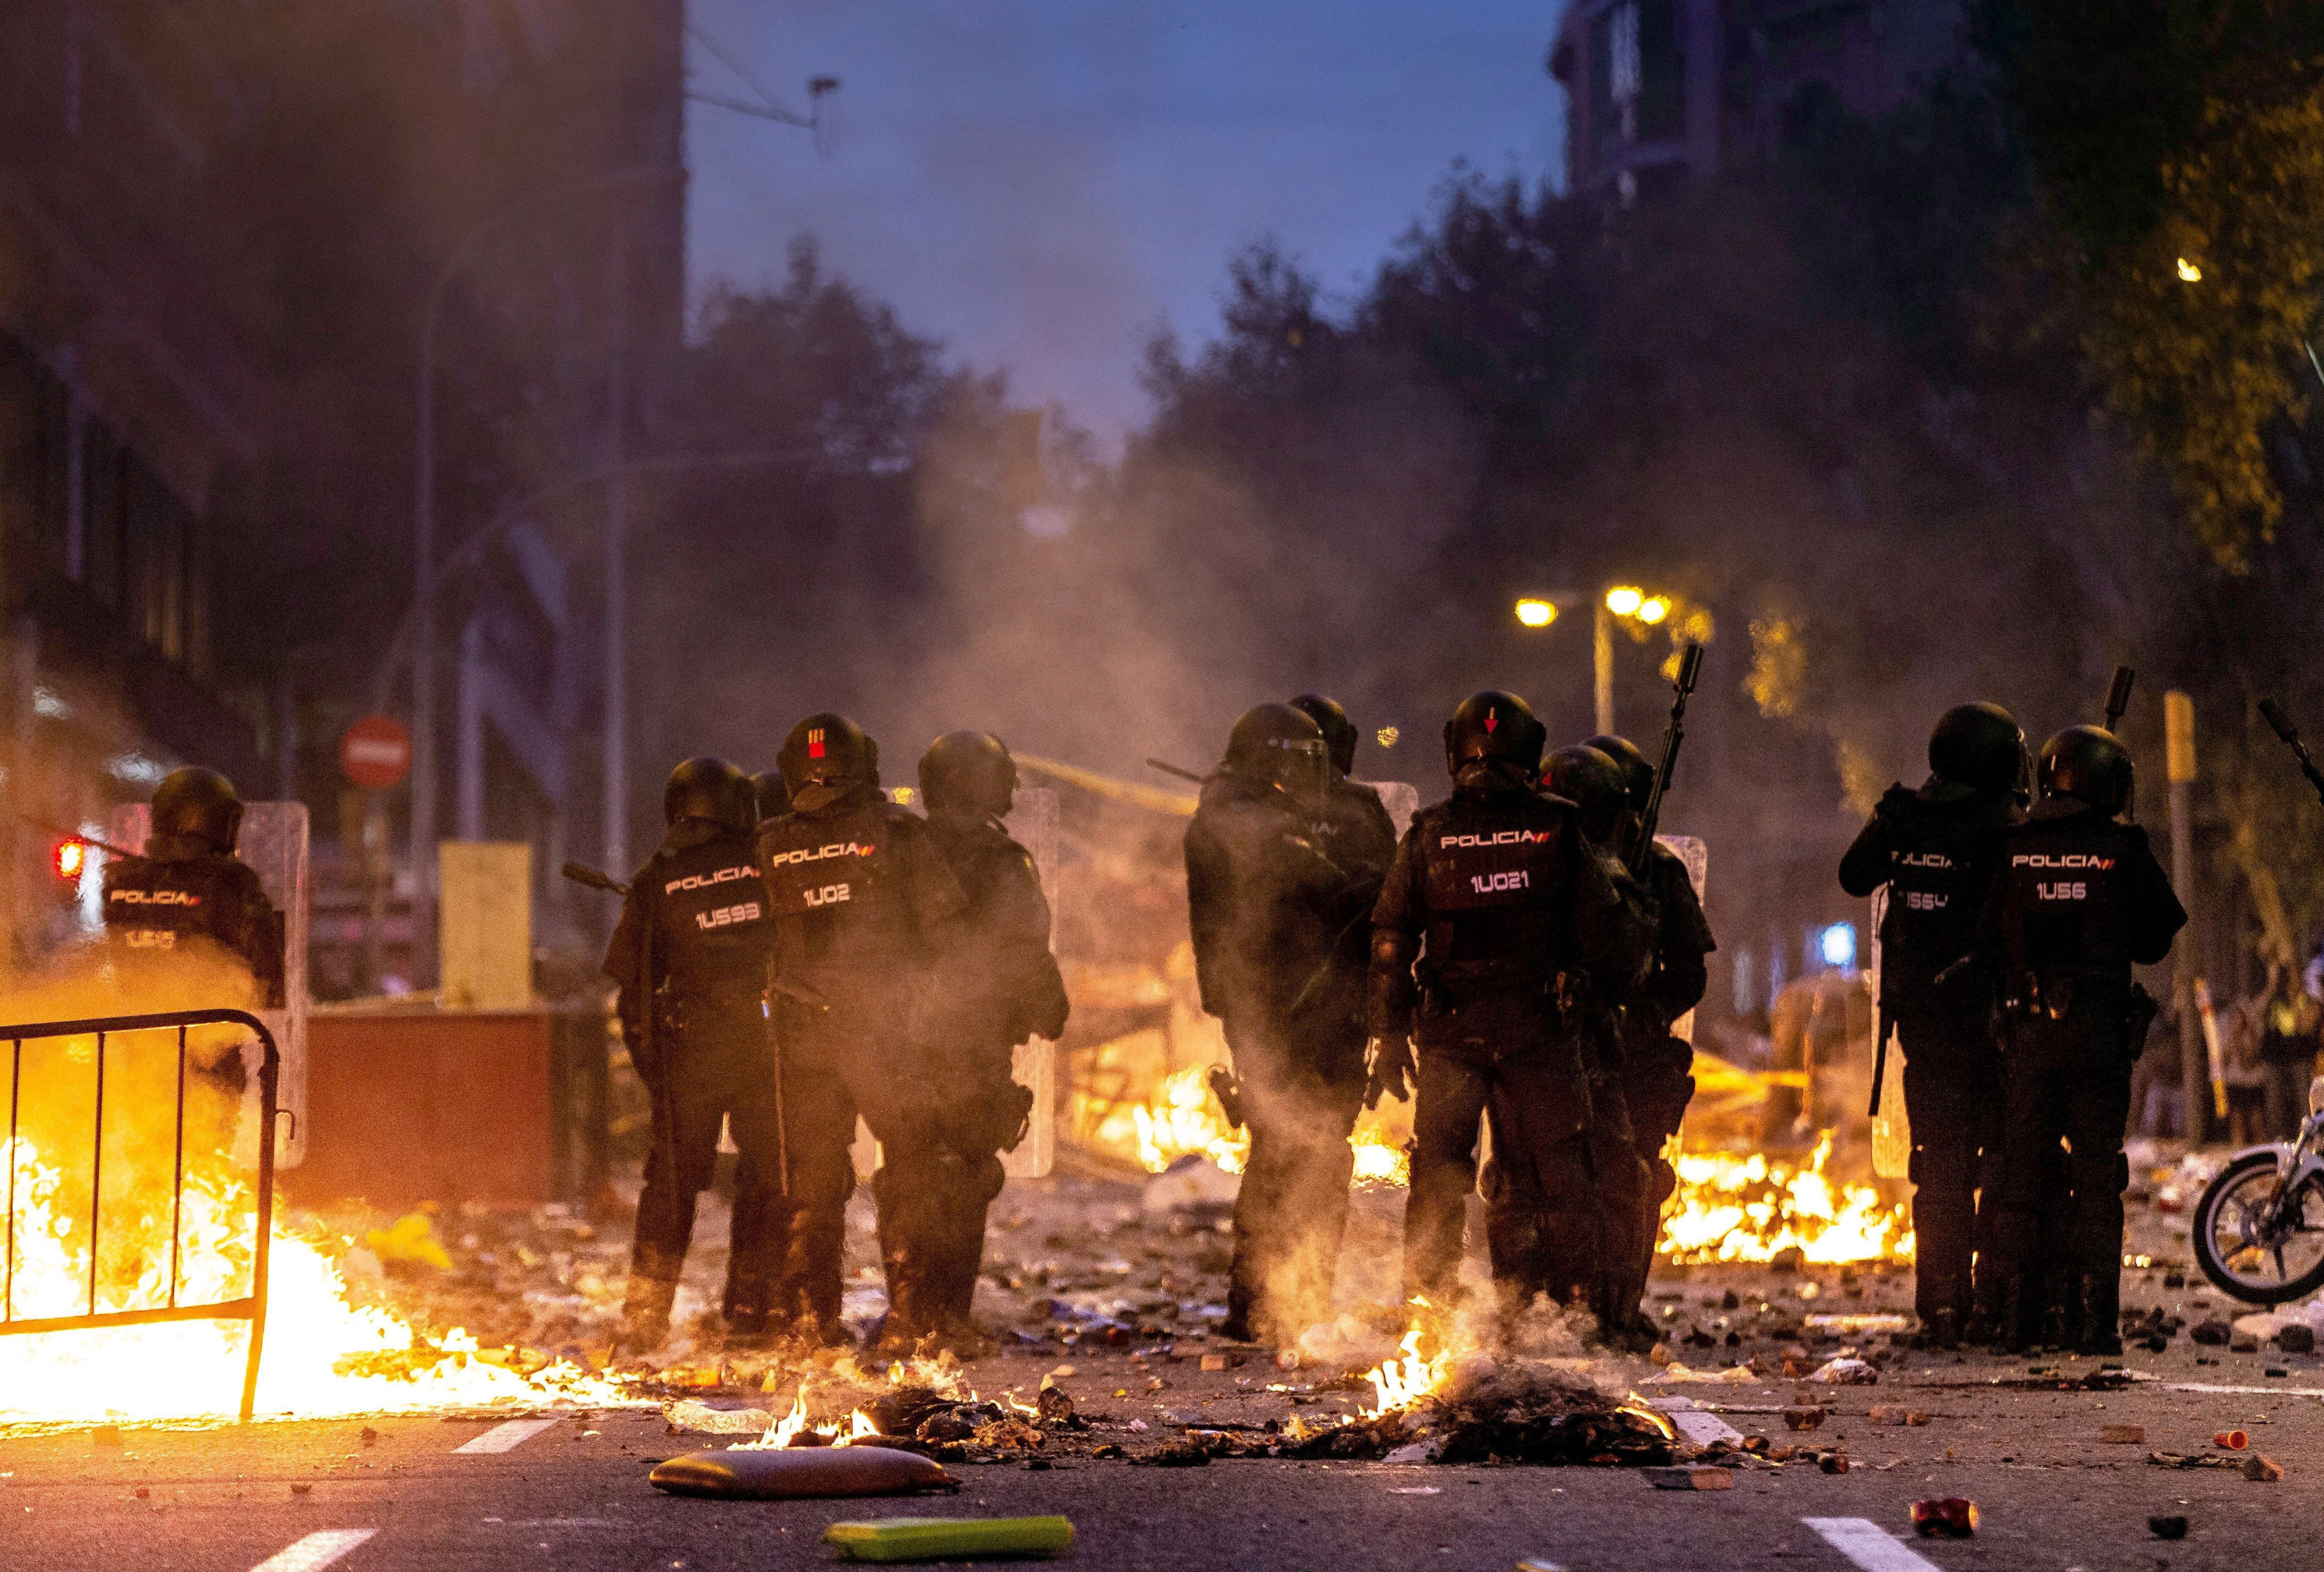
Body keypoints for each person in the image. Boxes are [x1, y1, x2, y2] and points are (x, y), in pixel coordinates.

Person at [1366, 692, 1646, 1332]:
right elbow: (1606, 936)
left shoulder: (1429, 833)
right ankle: (1559, 1312)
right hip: (1539, 1035)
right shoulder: (1558, 827)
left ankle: (1427, 1313)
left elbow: (1388, 940)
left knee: (1437, 1176)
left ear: (1451, 747)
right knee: (1560, 1178)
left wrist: (1388, 1036)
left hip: (1450, 1034)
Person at [755, 713, 966, 1348]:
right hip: (884, 1031)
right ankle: (909, 1321)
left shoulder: (768, 844)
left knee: (812, 1184)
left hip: (802, 1035)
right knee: (908, 1170)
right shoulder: (900, 832)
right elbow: (948, 935)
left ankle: (811, 1325)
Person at [1978, 725, 2185, 1355]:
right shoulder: (2121, 847)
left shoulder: (2013, 845)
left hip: (2029, 1034)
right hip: (2098, 1033)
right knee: (2097, 1178)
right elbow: (2155, 938)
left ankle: (2019, 1321)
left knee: (2022, 1176)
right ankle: (2096, 1325)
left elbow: (1985, 936)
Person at [1835, 702, 2025, 1348]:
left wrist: (1898, 829)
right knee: (2001, 1163)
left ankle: (1940, 1307)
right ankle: (1998, 1307)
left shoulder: (1905, 817)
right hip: (1993, 1024)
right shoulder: (2003, 826)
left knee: (1939, 1168)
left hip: (1924, 1026)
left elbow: (1853, 874)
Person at [1185, 702, 1373, 1344]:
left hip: (1321, 1008)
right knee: (1288, 1151)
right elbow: (1294, 872)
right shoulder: (1237, 816)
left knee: (1315, 1152)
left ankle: (1294, 1299)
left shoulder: (1266, 810)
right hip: (1277, 1010)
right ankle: (1267, 1305)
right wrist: (1353, 882)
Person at [601, 758, 781, 1354]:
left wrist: (657, 1076)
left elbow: (632, 992)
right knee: (764, 1181)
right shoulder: (766, 860)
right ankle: (750, 1315)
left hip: (689, 1055)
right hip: (762, 1050)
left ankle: (645, 1318)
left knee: (670, 1187)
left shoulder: (657, 878)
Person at [1475, 742, 1654, 1337]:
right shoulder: (1588, 873)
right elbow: (1631, 961)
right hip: (1565, 1049)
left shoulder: (1504, 858)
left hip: (1533, 1045)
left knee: (1533, 1179)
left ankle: (1542, 1313)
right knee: (1575, 1181)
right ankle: (1573, 1313)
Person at [907, 731, 1070, 1351]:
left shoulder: (902, 849)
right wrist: (1050, 1010)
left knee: (914, 1173)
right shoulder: (1003, 863)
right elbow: (1025, 949)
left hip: (903, 1039)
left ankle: (911, 1316)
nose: (1010, 788)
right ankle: (944, 1318)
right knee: (966, 1176)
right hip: (971, 1039)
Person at [1587, 733, 1717, 1337]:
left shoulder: (1658, 869)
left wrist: (1644, 1010)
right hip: (1570, 1044)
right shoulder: (1559, 858)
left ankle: (1618, 1305)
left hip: (1634, 1049)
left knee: (1638, 1176)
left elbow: (1689, 972)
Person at [103, 767, 285, 1008]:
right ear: (222, 822)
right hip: (207, 1038)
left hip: (126, 1034)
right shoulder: (232, 882)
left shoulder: (121, 880)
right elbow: (269, 983)